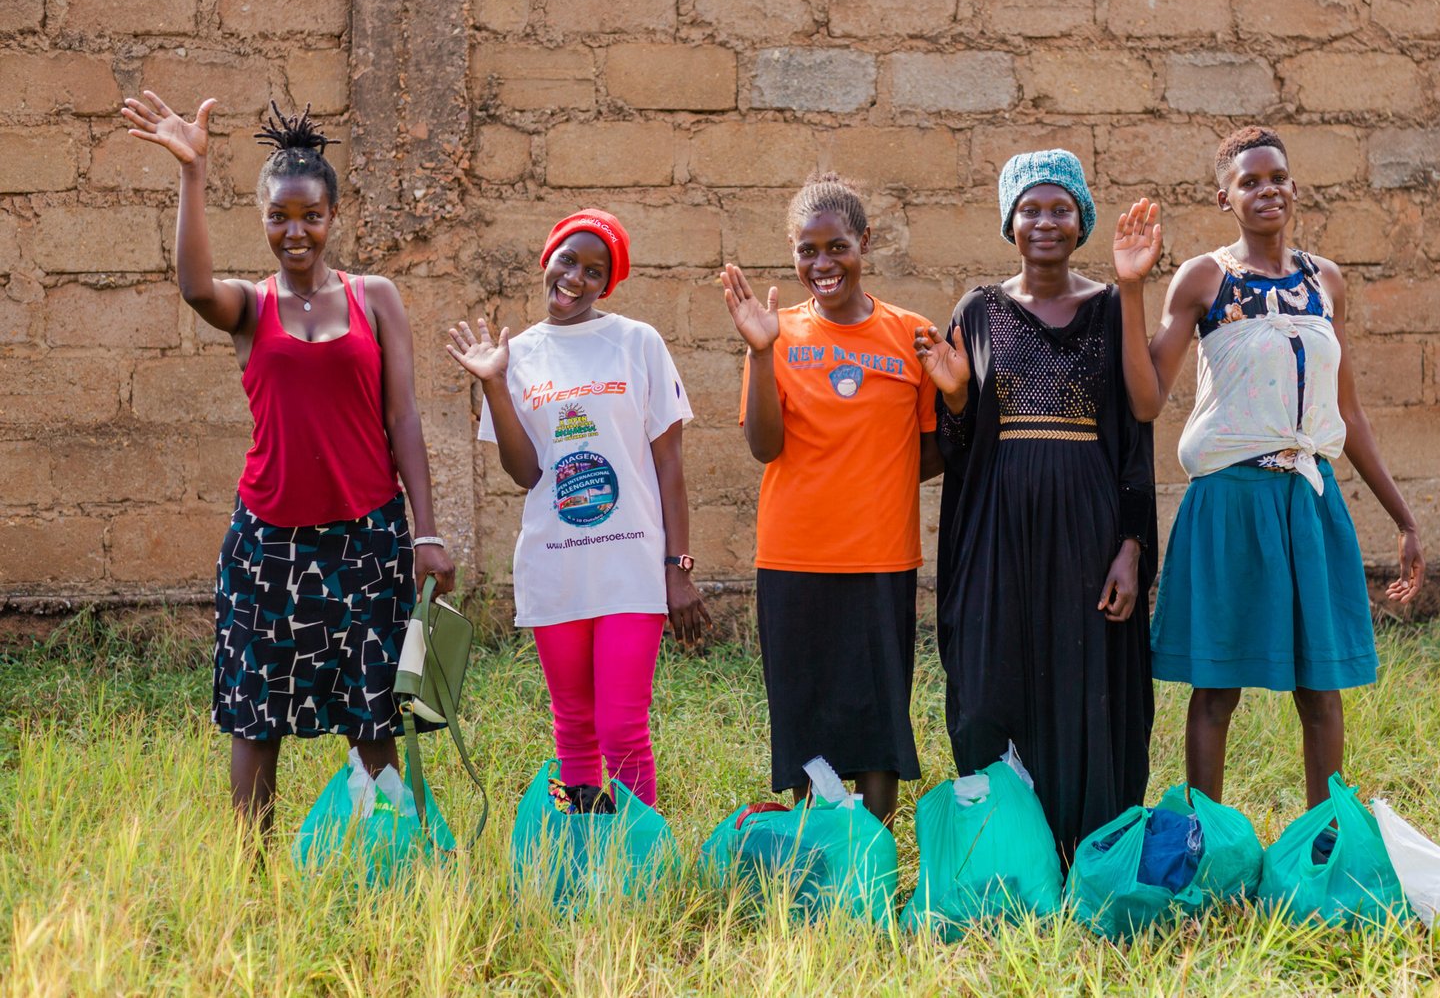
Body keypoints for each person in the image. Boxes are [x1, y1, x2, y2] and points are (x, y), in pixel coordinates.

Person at [121, 94, 455, 837]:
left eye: (310, 216)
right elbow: (194, 288)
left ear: (332, 216)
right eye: (279, 217)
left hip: (367, 538)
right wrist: (192, 172)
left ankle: (383, 857)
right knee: (256, 715)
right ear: (263, 218)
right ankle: (254, 871)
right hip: (268, 541)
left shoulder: (376, 298)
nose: (294, 231)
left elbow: (403, 418)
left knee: (373, 711)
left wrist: (426, 532)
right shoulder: (251, 305)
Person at [1113, 125, 1425, 808]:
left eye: (1277, 177)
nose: (1267, 190)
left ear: (1294, 186)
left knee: (1321, 688)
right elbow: (1146, 398)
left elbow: (1348, 413)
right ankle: (1206, 836)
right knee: (1216, 688)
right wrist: (1131, 287)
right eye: (1249, 181)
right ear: (1223, 197)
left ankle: (1323, 840)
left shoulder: (1326, 281)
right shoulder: (1205, 278)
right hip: (1230, 499)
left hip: (1308, 502)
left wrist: (1403, 519)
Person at [915, 149, 1157, 863]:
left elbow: (1135, 434)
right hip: (996, 533)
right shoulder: (978, 310)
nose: (1045, 221)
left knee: (1087, 686)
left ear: (1082, 220)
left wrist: (1132, 546)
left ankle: (1086, 851)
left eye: (1060, 208)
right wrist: (957, 395)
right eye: (1030, 209)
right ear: (1009, 222)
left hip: (1088, 534)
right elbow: (958, 448)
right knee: (991, 679)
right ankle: (1005, 852)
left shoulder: (1110, 308)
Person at [448, 209, 706, 812]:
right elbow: (526, 474)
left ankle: (637, 854)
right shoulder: (517, 355)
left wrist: (678, 567)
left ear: (606, 285)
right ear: (548, 259)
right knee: (573, 728)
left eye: (594, 271)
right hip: (555, 565)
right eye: (568, 260)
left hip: (631, 568)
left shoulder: (638, 342)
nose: (575, 278)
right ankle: (584, 849)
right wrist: (493, 383)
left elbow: (669, 462)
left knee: (622, 727)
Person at [723, 172, 939, 827]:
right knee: (807, 716)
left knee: (878, 719)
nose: (823, 263)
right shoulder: (777, 334)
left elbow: (932, 451)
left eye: (837, 246)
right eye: (807, 250)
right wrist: (762, 354)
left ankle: (872, 853)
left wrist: (872, 473)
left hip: (880, 556)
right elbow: (765, 446)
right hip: (794, 558)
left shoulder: (910, 335)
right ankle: (819, 847)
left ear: (864, 242)